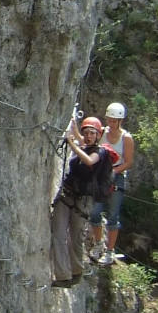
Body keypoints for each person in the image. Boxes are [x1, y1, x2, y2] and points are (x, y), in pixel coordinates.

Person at [50, 116, 118, 287]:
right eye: (85, 133)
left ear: (98, 135)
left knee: (74, 238)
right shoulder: (85, 147)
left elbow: (89, 161)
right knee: (58, 233)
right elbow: (83, 144)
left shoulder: (100, 152)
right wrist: (73, 125)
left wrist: (72, 144)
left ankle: (76, 271)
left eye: (92, 133)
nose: (88, 136)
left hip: (83, 201)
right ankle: (63, 276)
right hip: (68, 194)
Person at [86, 102, 136, 265]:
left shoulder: (126, 138)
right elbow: (91, 145)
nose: (112, 124)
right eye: (110, 120)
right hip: (101, 174)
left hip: (117, 174)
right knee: (95, 212)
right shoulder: (103, 133)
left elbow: (128, 162)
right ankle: (99, 244)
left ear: (120, 121)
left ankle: (110, 250)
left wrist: (114, 172)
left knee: (113, 215)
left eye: (115, 121)